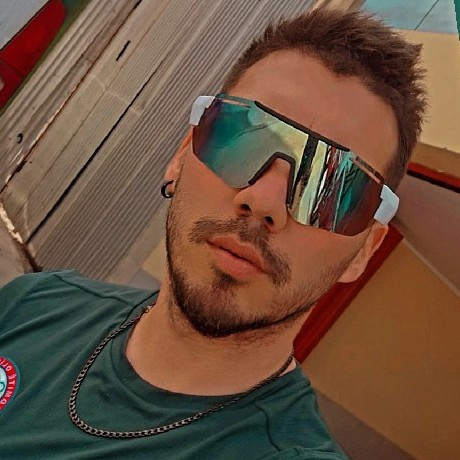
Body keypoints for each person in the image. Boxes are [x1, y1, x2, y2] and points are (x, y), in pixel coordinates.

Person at [0, 6, 426, 459]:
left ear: (364, 251)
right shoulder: (36, 304)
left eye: (331, 188)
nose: (264, 201)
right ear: (181, 157)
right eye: (242, 138)